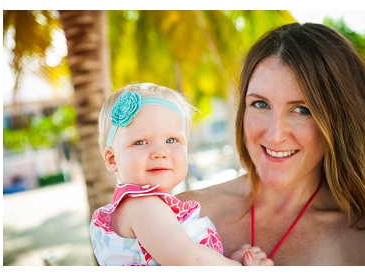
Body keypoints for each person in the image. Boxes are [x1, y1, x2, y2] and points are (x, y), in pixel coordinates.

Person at [177, 22, 365, 265]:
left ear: (340, 122)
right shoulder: (187, 214)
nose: (275, 135)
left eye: (302, 109)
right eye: (260, 104)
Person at [89, 83, 273, 266]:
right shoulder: (142, 206)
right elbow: (191, 261)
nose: (160, 152)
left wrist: (226, 261)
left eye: (172, 140)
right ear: (112, 159)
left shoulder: (145, 206)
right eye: (140, 142)